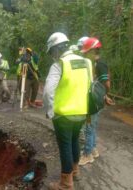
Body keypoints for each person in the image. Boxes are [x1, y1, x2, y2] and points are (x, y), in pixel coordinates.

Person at [43, 32, 92, 189]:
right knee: (74, 141)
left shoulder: (60, 65)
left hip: (63, 116)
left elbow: (48, 91)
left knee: (65, 146)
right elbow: (90, 86)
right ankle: (75, 172)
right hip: (81, 113)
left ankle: (66, 183)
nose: (52, 55)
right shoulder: (85, 62)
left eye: (52, 51)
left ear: (57, 49)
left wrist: (50, 111)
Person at [79, 37, 114, 166]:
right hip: (95, 99)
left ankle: (87, 154)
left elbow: (107, 83)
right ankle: (93, 150)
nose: (85, 54)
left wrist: (104, 95)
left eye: (87, 52)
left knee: (88, 127)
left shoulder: (100, 64)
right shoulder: (93, 64)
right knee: (92, 126)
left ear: (93, 51)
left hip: (94, 101)